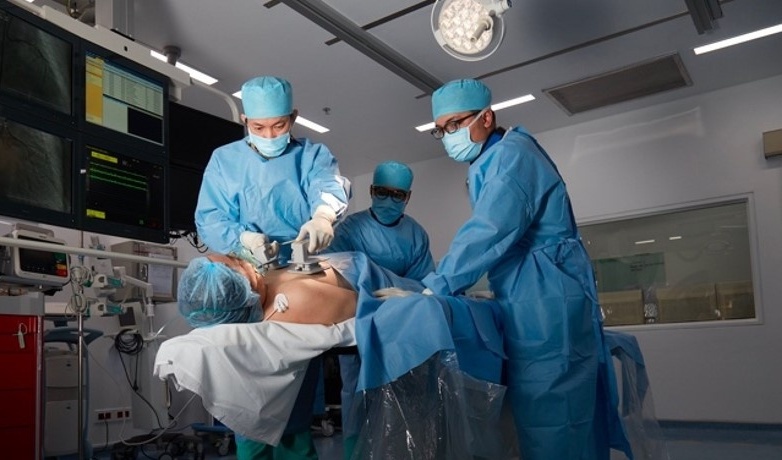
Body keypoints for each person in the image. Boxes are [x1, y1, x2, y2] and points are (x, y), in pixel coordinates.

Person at [421, 79, 628, 460]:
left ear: (486, 117)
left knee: (552, 407)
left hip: (548, 298)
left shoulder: (511, 157)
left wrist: (438, 284)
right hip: (534, 293)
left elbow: (490, 229)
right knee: (545, 410)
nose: (448, 136)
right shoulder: (493, 160)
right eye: (441, 129)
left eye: (455, 124)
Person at [194, 75, 351, 460]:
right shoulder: (225, 161)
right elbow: (209, 218)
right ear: (245, 120)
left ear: (293, 118)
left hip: (299, 275)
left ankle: (296, 444)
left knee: (295, 395)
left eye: (279, 126)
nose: (269, 134)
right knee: (252, 398)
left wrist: (323, 217)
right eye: (259, 127)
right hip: (251, 280)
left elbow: (328, 187)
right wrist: (242, 239)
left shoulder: (311, 155)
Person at [323, 160, 434, 457]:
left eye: (397, 195)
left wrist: (398, 291)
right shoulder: (351, 228)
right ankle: (354, 451)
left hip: (399, 323)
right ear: (371, 191)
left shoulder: (416, 235)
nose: (388, 199)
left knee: (399, 388)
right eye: (382, 192)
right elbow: (334, 270)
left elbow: (424, 283)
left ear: (408, 197)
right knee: (355, 390)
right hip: (357, 320)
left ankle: (397, 449)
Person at [177, 254, 357, 328]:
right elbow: (364, 305)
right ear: (248, 296)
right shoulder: (296, 299)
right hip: (365, 275)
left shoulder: (264, 287)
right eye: (239, 263)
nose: (246, 261)